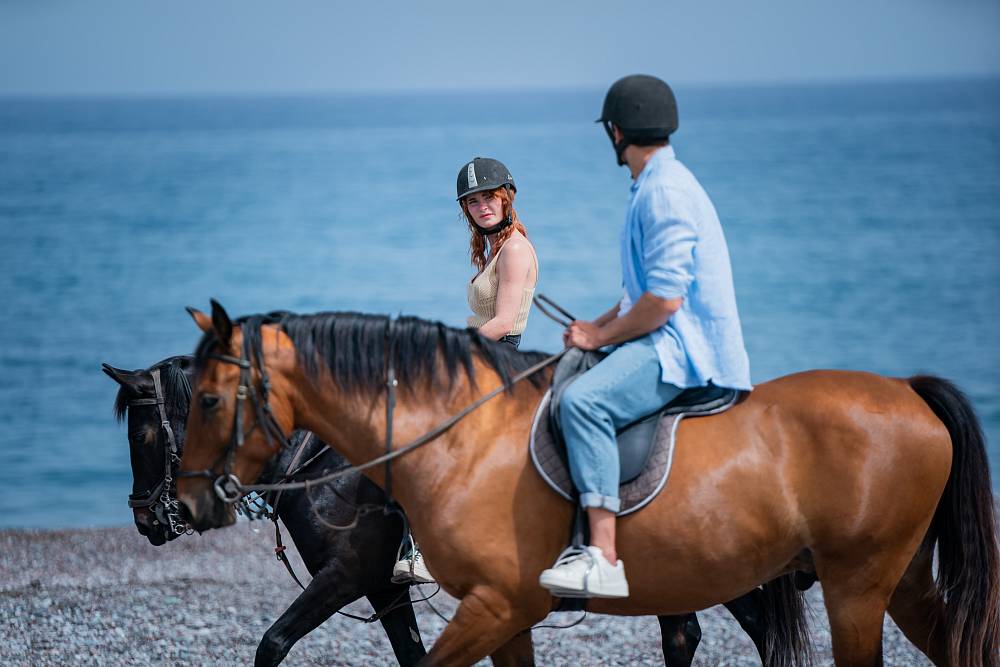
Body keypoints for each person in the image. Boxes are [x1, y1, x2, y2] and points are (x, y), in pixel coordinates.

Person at [537, 75, 752, 598]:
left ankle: (602, 557)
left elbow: (663, 303)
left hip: (683, 350)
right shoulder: (658, 184)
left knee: (583, 403)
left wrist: (600, 337)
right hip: (664, 335)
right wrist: (596, 328)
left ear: (615, 132)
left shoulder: (663, 192)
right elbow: (641, 296)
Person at [391, 157, 539, 585]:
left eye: (488, 197)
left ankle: (420, 550)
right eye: (472, 202)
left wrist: (446, 348)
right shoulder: (495, 247)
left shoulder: (513, 250)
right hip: (484, 352)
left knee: (420, 433)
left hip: (496, 357)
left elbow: (504, 321)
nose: (481, 207)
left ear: (506, 197)